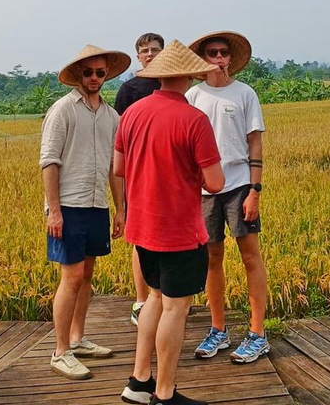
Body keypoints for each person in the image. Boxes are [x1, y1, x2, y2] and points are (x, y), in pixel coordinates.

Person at [115, 40, 224, 405]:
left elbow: (118, 169)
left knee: (154, 300)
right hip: (179, 228)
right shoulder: (195, 119)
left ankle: (139, 381)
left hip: (142, 227)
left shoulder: (131, 113)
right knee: (176, 308)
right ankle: (165, 393)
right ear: (190, 74)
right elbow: (216, 183)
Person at [40, 44, 129, 380]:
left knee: (87, 275)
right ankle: (60, 351)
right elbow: (49, 161)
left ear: (107, 75)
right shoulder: (62, 110)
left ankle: (77, 338)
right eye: (88, 72)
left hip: (96, 205)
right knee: (71, 276)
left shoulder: (111, 116)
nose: (94, 78)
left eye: (100, 73)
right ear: (78, 74)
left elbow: (113, 167)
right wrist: (54, 211)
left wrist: (120, 209)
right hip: (69, 204)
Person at [186, 31, 270, 364]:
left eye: (223, 53)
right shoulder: (192, 96)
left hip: (238, 186)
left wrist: (255, 190)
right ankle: (218, 329)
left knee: (250, 256)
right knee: (211, 259)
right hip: (204, 190)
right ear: (202, 59)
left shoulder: (245, 94)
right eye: (211, 53)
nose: (218, 58)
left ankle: (257, 333)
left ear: (231, 59)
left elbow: (255, 145)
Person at [114, 32, 164, 327]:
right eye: (145, 50)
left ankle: (168, 298)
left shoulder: (172, 83)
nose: (150, 54)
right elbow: (120, 139)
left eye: (155, 49)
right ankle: (141, 300)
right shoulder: (129, 91)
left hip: (171, 176)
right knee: (140, 237)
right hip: (138, 174)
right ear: (138, 56)